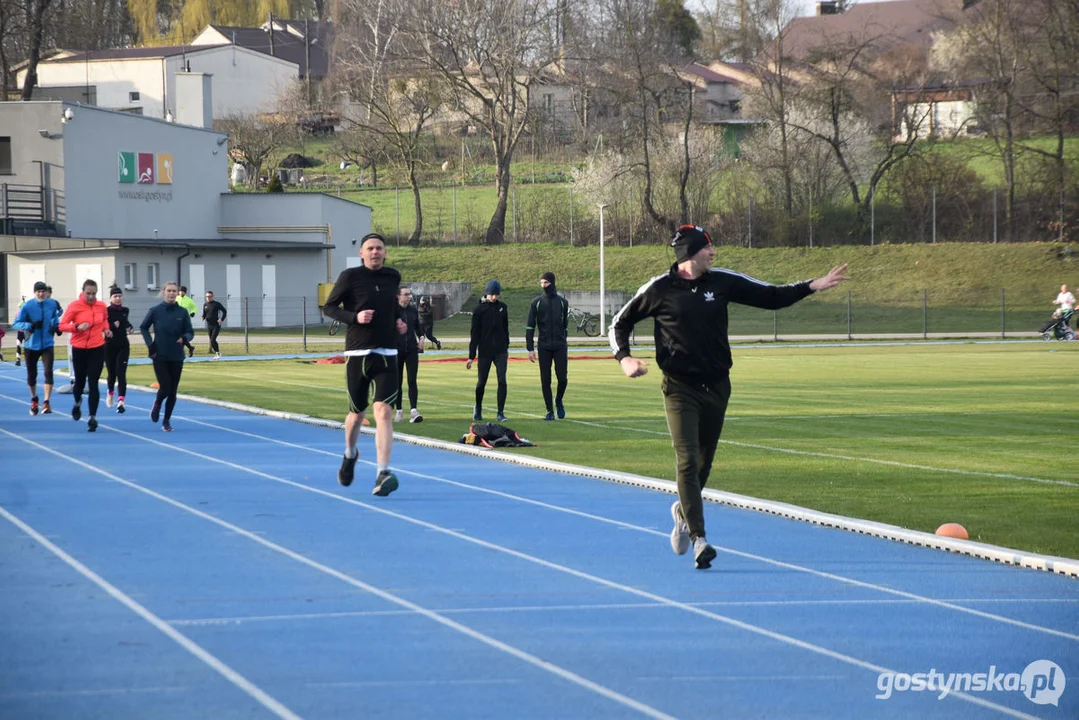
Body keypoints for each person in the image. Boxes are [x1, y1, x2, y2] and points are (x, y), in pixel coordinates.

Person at [610, 225, 850, 570]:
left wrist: (812, 286)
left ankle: (682, 509)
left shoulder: (722, 281)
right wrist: (625, 358)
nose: (714, 253)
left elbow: (770, 297)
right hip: (679, 388)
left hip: (718, 386)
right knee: (688, 461)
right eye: (708, 248)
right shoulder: (659, 289)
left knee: (703, 465)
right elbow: (619, 323)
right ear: (691, 253)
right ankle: (699, 539)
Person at [322, 232, 407, 496]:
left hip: (387, 353)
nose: (375, 252)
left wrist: (400, 320)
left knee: (383, 411)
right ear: (362, 253)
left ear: (385, 252)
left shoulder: (393, 277)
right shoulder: (350, 277)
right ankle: (350, 453)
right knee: (357, 413)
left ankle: (382, 472)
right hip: (358, 354)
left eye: (379, 248)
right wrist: (355, 317)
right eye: (370, 248)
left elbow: (394, 307)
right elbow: (330, 308)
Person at [140, 282, 194, 432]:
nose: (171, 293)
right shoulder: (155, 311)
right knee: (165, 386)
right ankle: (157, 404)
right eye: (169, 291)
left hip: (177, 355)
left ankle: (167, 420)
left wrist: (185, 338)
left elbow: (190, 332)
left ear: (177, 293)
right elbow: (144, 327)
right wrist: (150, 345)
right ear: (164, 292)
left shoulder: (182, 312)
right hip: (160, 355)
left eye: (174, 291)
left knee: (173, 391)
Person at [59, 279, 110, 431]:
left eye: (94, 294)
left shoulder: (101, 306)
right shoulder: (75, 306)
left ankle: (92, 417)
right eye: (88, 293)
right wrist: (77, 327)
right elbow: (61, 325)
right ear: (82, 292)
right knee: (80, 381)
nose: (91, 297)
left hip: (97, 347)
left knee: (93, 382)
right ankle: (77, 402)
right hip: (79, 348)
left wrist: (106, 329)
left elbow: (105, 319)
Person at [11, 281, 62, 415]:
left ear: (46, 292)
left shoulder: (51, 304)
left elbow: (55, 318)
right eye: (38, 291)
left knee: (48, 372)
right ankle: (34, 399)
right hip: (31, 345)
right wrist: (30, 326)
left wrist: (57, 327)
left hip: (47, 344)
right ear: (34, 293)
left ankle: (46, 402)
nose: (41, 294)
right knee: (31, 375)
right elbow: (15, 324)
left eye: (43, 291)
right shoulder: (28, 306)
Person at [526, 271, 570, 421]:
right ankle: (549, 411)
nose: (543, 285)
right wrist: (530, 348)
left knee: (562, 378)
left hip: (560, 345)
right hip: (544, 346)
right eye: (541, 283)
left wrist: (563, 340)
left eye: (546, 283)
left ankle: (558, 400)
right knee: (546, 380)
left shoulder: (563, 302)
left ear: (552, 283)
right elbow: (530, 327)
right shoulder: (536, 302)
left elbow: (565, 326)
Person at [467, 280, 510, 422]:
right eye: (491, 294)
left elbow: (506, 328)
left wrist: (506, 344)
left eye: (496, 294)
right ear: (487, 293)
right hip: (485, 351)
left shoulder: (503, 308)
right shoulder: (479, 310)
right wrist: (471, 355)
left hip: (501, 351)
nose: (494, 297)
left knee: (502, 380)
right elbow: (474, 333)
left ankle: (500, 412)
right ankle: (478, 407)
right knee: (481, 382)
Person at [394, 285, 425, 424]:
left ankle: (414, 410)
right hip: (396, 350)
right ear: (398, 296)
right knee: (397, 381)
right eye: (406, 294)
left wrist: (422, 338)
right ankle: (399, 411)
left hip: (411, 350)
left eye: (409, 294)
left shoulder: (412, 310)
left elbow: (418, 327)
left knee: (412, 380)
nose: (409, 296)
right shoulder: (393, 311)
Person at [104, 285, 134, 414]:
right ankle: (110, 392)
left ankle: (121, 401)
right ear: (111, 298)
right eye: (115, 296)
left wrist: (130, 327)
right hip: (109, 345)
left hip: (123, 345)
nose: (118, 298)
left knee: (121, 373)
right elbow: (102, 325)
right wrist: (111, 326)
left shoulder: (125, 310)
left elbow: (125, 322)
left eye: (119, 296)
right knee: (112, 373)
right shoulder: (106, 311)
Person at [202, 290, 227, 360]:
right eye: (207, 296)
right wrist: (203, 317)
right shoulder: (205, 305)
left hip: (216, 325)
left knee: (213, 339)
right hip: (209, 325)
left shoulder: (217, 304)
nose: (208, 298)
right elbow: (204, 314)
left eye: (209, 296)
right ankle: (217, 353)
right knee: (211, 340)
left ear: (212, 297)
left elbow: (224, 311)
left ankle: (218, 353)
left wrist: (221, 319)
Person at [177, 285, 198, 357]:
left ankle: (181, 352)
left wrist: (193, 313)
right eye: (180, 291)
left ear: (185, 292)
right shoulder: (176, 298)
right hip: (176, 320)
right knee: (180, 337)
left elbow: (194, 307)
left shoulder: (189, 300)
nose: (181, 293)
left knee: (182, 336)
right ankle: (190, 348)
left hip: (185, 321)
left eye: (182, 291)